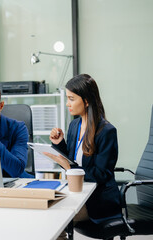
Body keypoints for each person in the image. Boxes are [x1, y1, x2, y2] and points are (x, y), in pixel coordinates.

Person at [44, 74, 121, 224]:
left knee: (55, 217)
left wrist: (69, 168)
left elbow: (101, 174)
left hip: (99, 200)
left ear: (86, 101)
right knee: (47, 211)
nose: (67, 104)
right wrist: (59, 144)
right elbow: (72, 161)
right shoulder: (74, 126)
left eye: (71, 99)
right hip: (78, 192)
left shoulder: (107, 131)